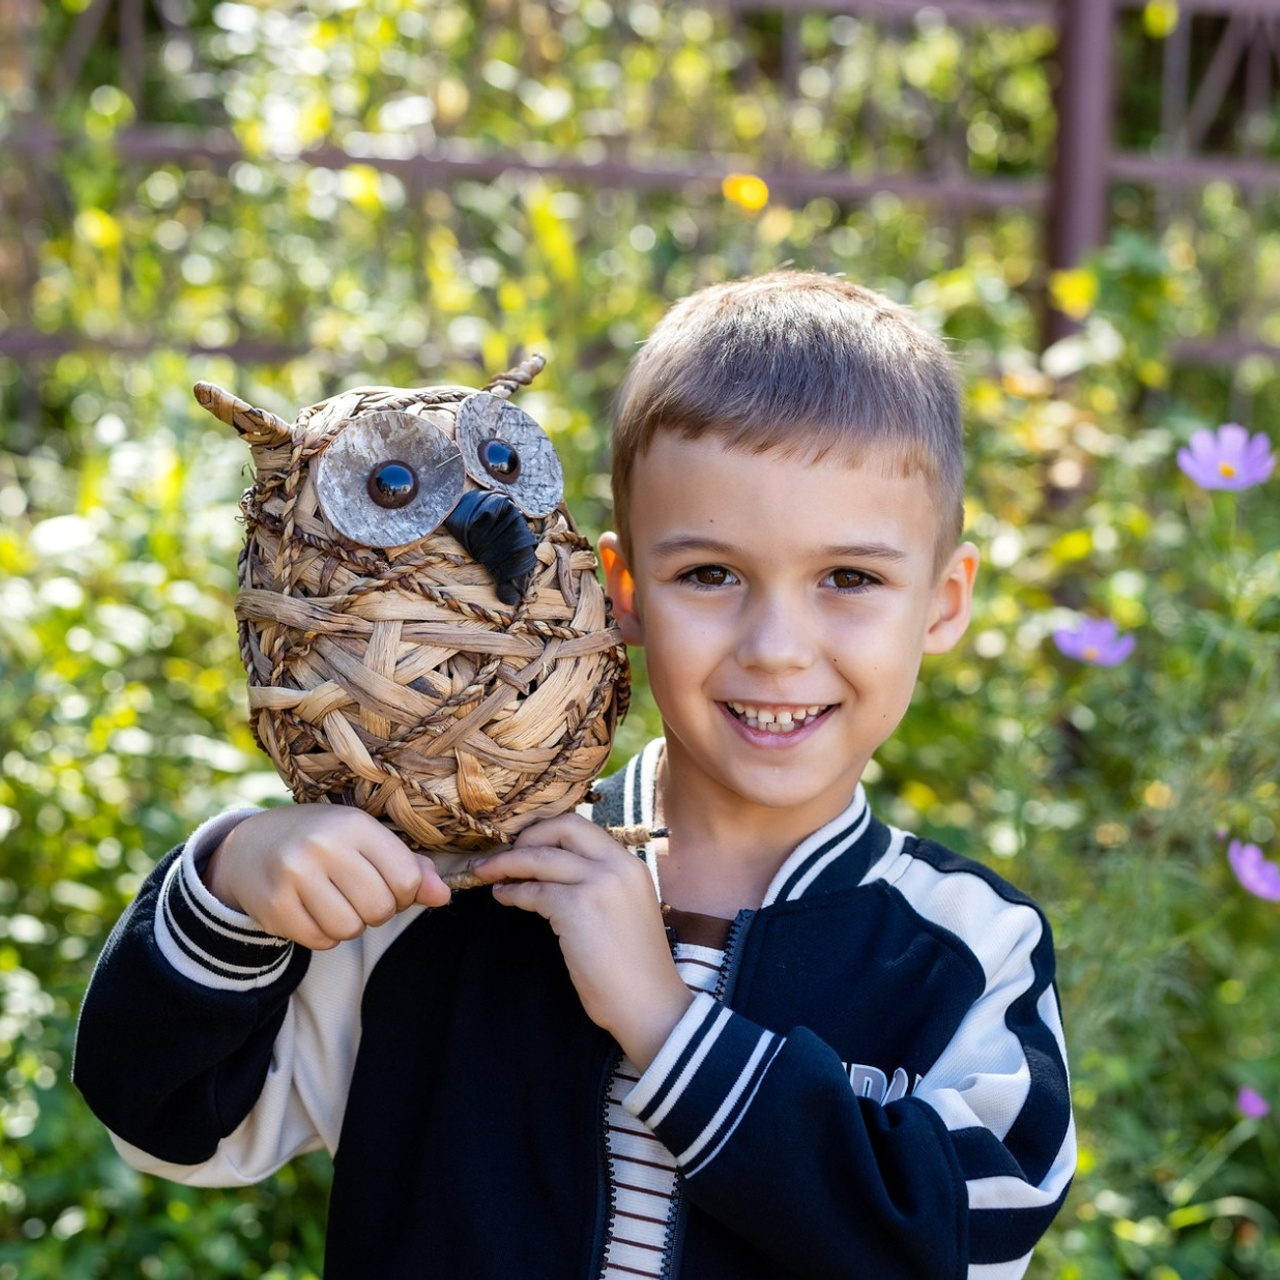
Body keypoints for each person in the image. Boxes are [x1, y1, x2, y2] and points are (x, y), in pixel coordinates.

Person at [75, 270, 1075, 1279]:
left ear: (943, 602)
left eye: (848, 578)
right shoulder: (451, 886)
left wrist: (662, 1019)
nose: (777, 646)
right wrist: (228, 882)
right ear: (620, 588)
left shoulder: (965, 949)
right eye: (710, 574)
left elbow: (962, 1240)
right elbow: (169, 1123)